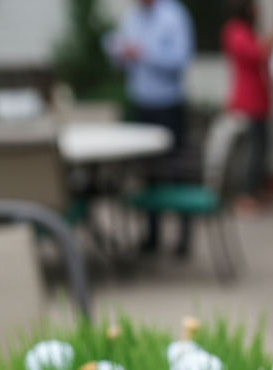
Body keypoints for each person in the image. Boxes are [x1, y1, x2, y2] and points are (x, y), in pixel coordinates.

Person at [103, 0, 196, 253]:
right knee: (147, 172)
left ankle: (183, 238)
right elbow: (120, 63)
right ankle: (152, 235)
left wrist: (144, 53)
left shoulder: (174, 15)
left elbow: (181, 59)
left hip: (169, 104)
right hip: (141, 103)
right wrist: (120, 54)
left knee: (177, 170)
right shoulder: (131, 18)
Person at [220, 1, 273, 210]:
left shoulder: (247, 30)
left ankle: (255, 191)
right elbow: (256, 55)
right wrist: (270, 43)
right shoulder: (235, 30)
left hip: (259, 100)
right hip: (248, 101)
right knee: (251, 150)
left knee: (262, 148)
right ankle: (245, 194)